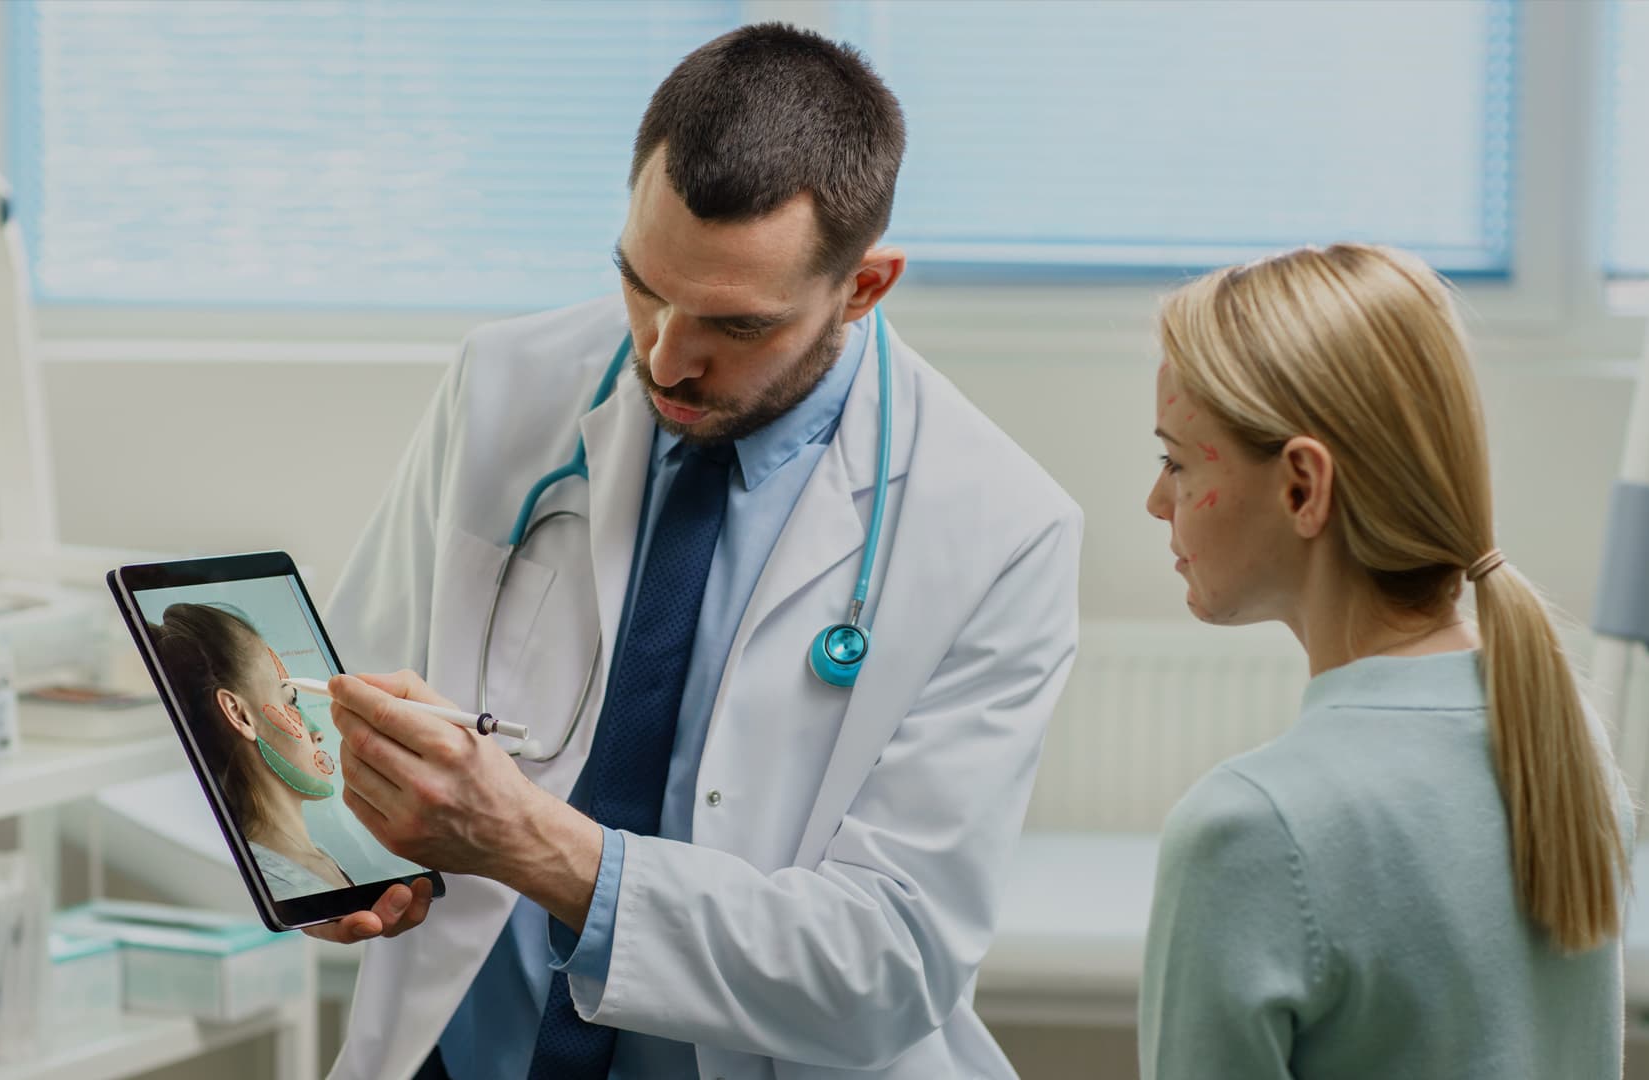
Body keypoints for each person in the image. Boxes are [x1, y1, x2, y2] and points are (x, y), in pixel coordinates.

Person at [313, 22, 1083, 1080]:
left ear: (863, 288)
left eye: (736, 323)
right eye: (643, 284)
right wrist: (342, 858)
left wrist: (529, 840)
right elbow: (356, 694)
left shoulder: (999, 527)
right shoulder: (505, 382)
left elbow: (886, 968)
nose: (666, 357)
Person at [1138, 243, 1632, 1078]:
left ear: (1302, 486)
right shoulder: (1556, 734)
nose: (1157, 502)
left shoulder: (1248, 829)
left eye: (1176, 463)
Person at [148, 601, 353, 901]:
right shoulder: (281, 883)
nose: (317, 732)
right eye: (291, 700)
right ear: (240, 715)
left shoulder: (319, 862)